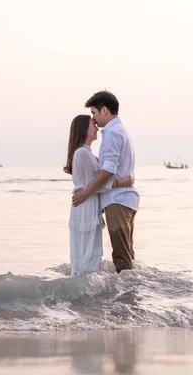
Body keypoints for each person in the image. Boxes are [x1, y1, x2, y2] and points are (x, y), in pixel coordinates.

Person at [72, 91, 140, 273]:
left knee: (121, 258)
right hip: (125, 199)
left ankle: (128, 299)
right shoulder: (121, 130)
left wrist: (86, 192)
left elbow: (109, 170)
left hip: (117, 200)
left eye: (94, 113)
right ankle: (129, 295)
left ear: (104, 110)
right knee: (126, 254)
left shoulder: (111, 134)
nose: (94, 119)